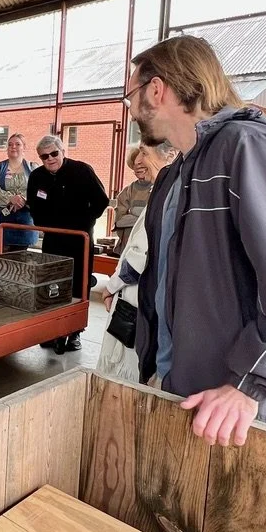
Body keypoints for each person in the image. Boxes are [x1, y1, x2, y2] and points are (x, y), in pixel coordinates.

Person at [127, 34, 266, 446]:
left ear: (156, 90)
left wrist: (251, 384)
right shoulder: (176, 174)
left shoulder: (249, 148)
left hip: (241, 409)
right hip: (193, 393)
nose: (131, 111)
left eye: (132, 96)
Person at [97, 144, 178, 383]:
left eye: (145, 152)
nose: (138, 160)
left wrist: (111, 286)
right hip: (143, 298)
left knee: (126, 367)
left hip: (137, 298)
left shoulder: (166, 195)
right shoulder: (164, 191)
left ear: (171, 155)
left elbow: (140, 254)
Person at [27, 133, 109, 354]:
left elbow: (102, 200)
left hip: (79, 240)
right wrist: (43, 225)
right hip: (53, 240)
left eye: (54, 153)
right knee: (52, 285)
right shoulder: (37, 177)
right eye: (45, 156)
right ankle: (52, 331)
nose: (50, 159)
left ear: (63, 151)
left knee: (77, 287)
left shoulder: (82, 171)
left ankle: (74, 333)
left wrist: (85, 222)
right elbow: (34, 204)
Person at [0, 132, 38, 252]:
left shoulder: (33, 168)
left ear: (24, 147)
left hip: (25, 222)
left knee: (21, 262)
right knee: (0, 261)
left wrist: (23, 200)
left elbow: (39, 190)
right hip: (1, 219)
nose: (13, 147)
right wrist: (10, 198)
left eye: (17, 144)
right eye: (10, 144)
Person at [112, 146, 152, 252]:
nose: (138, 167)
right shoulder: (126, 192)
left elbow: (157, 219)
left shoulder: (161, 189)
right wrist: (144, 216)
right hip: (128, 246)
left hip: (150, 246)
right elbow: (119, 222)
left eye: (143, 168)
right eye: (136, 169)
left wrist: (132, 215)